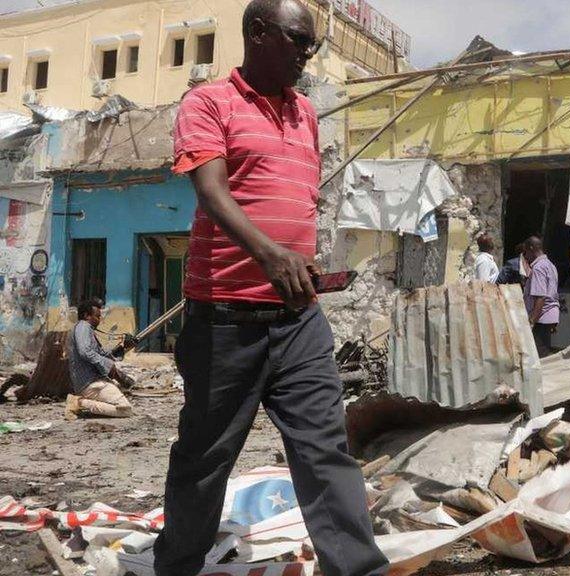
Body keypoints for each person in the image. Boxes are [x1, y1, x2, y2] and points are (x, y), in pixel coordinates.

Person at [153, 2, 387, 575]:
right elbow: (211, 192)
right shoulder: (208, 103)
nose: (309, 52)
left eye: (312, 43)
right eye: (298, 40)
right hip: (225, 322)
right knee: (205, 460)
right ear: (258, 33)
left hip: (298, 320)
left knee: (325, 453)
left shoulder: (306, 113)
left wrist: (297, 262)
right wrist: (270, 252)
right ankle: (177, 566)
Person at [65, 298, 133, 420]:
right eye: (97, 316)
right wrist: (107, 365)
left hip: (93, 382)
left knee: (121, 396)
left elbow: (102, 353)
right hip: (91, 383)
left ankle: (83, 403)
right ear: (86, 315)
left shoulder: (86, 329)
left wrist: (122, 348)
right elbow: (85, 352)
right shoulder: (83, 327)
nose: (99, 320)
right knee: (125, 409)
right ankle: (79, 403)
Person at [522, 236, 559, 357]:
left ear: (531, 249)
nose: (525, 256)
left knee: (539, 356)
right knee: (543, 352)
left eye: (525, 252)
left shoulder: (539, 268)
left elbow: (541, 297)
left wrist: (531, 321)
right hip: (548, 316)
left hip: (541, 317)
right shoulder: (550, 265)